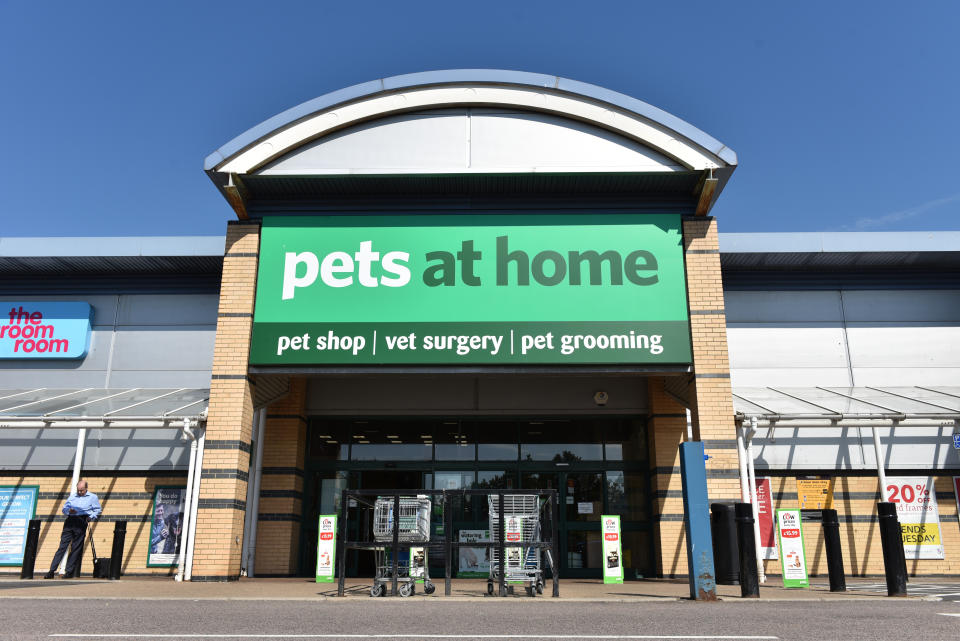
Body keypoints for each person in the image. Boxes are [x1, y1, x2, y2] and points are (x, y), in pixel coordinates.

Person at [44, 480, 101, 578]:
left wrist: (90, 517)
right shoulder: (73, 496)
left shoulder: (93, 497)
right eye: (78, 490)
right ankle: (51, 571)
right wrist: (69, 510)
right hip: (70, 520)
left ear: (86, 488)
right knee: (62, 546)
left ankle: (69, 572)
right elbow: (64, 509)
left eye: (82, 491)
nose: (80, 492)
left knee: (75, 547)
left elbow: (97, 510)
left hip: (81, 520)